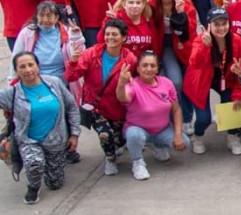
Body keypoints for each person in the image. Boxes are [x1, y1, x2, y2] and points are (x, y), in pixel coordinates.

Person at [0, 52, 80, 205]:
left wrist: (74, 134)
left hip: (56, 140)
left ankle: (48, 168)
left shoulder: (54, 83)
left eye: (31, 65)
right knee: (34, 163)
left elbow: (72, 107)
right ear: (16, 71)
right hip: (29, 140)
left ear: (38, 66)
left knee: (55, 184)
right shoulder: (13, 93)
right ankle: (33, 187)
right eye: (22, 67)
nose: (28, 70)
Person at [65, 18, 138, 176]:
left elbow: (133, 84)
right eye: (107, 34)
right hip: (95, 106)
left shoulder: (130, 58)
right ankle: (110, 159)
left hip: (117, 106)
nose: (110, 37)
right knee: (105, 135)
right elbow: (71, 77)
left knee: (120, 140)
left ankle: (116, 147)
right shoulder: (91, 53)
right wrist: (73, 62)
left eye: (114, 34)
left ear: (124, 37)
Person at [183, 8, 241, 155]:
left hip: (226, 79)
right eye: (216, 24)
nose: (221, 28)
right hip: (201, 81)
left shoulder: (237, 41)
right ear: (209, 25)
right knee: (204, 118)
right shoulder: (200, 40)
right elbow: (194, 63)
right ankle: (198, 137)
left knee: (233, 105)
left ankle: (232, 136)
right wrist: (204, 46)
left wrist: (238, 95)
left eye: (224, 23)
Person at [116, 51, 187, 181]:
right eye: (145, 65)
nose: (149, 69)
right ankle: (138, 163)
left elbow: (176, 110)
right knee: (134, 136)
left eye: (152, 65)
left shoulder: (167, 83)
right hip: (138, 128)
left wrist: (178, 134)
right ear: (138, 68)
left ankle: (157, 146)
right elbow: (122, 97)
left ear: (157, 68)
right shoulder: (133, 85)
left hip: (162, 130)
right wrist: (121, 83)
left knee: (185, 143)